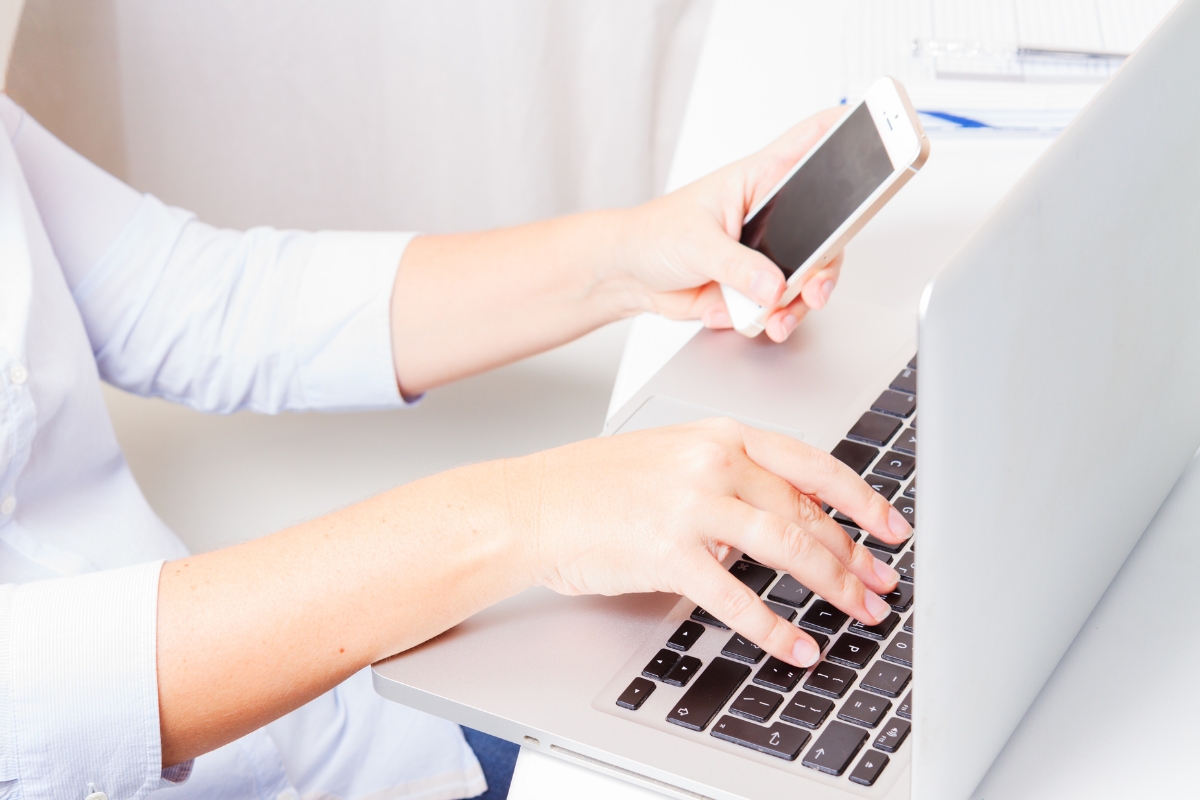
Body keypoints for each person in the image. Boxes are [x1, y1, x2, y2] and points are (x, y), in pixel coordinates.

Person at [0, 39, 910, 800]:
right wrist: (533, 514)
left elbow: (211, 302)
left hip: (350, 732)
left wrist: (628, 260)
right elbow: (41, 693)